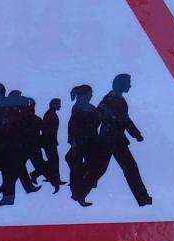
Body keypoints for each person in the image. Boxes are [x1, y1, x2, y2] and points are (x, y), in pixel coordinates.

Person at [96, 72, 152, 206]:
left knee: (130, 168)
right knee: (98, 169)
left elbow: (126, 120)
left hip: (118, 141)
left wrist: (136, 134)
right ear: (120, 84)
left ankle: (143, 198)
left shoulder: (121, 100)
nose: (130, 86)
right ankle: (79, 191)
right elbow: (96, 118)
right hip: (107, 141)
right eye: (128, 83)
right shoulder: (108, 100)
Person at [0, 90, 41, 206]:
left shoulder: (14, 111)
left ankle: (9, 196)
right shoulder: (19, 110)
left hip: (12, 144)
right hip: (14, 144)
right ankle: (26, 188)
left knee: (9, 171)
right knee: (17, 168)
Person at [65, 85, 100, 208]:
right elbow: (93, 123)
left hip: (84, 142)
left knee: (79, 169)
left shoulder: (79, 108)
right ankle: (80, 194)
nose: (91, 95)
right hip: (84, 143)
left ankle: (78, 194)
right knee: (83, 169)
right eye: (90, 93)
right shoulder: (84, 109)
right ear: (83, 95)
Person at [36, 97, 63, 191]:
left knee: (54, 161)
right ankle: (36, 174)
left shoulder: (51, 114)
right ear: (53, 105)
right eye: (58, 104)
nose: (60, 106)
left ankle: (56, 179)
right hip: (49, 142)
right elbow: (45, 129)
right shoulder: (50, 114)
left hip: (50, 141)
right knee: (54, 160)